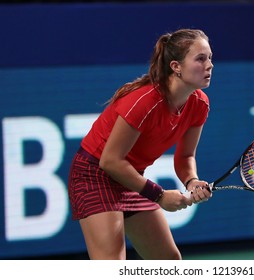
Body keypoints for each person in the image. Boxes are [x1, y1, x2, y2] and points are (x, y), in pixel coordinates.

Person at [67, 28, 213, 260]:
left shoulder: (200, 104)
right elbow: (110, 160)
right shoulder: (146, 102)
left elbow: (185, 157)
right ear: (176, 66)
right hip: (94, 176)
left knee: (168, 261)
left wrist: (192, 181)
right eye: (200, 58)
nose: (210, 65)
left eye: (210, 58)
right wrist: (159, 195)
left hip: (129, 176)